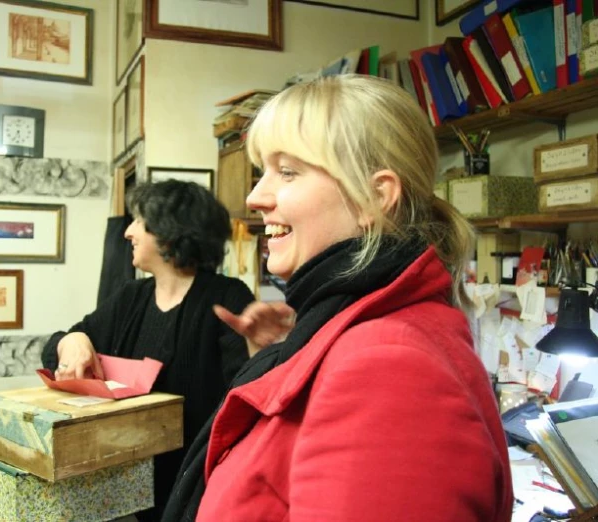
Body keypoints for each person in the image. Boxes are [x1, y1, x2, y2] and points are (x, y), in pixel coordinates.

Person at [162, 75, 513, 522]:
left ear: (374, 198)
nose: (255, 197)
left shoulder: (390, 368)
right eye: (262, 171)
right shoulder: (344, 337)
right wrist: (287, 365)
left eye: (287, 172)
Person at [40, 179, 293, 521]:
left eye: (139, 221)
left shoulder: (226, 296)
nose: (128, 232)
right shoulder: (131, 297)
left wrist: (259, 347)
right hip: (130, 491)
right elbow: (54, 349)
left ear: (169, 231)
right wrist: (73, 341)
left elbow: (250, 394)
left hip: (199, 492)